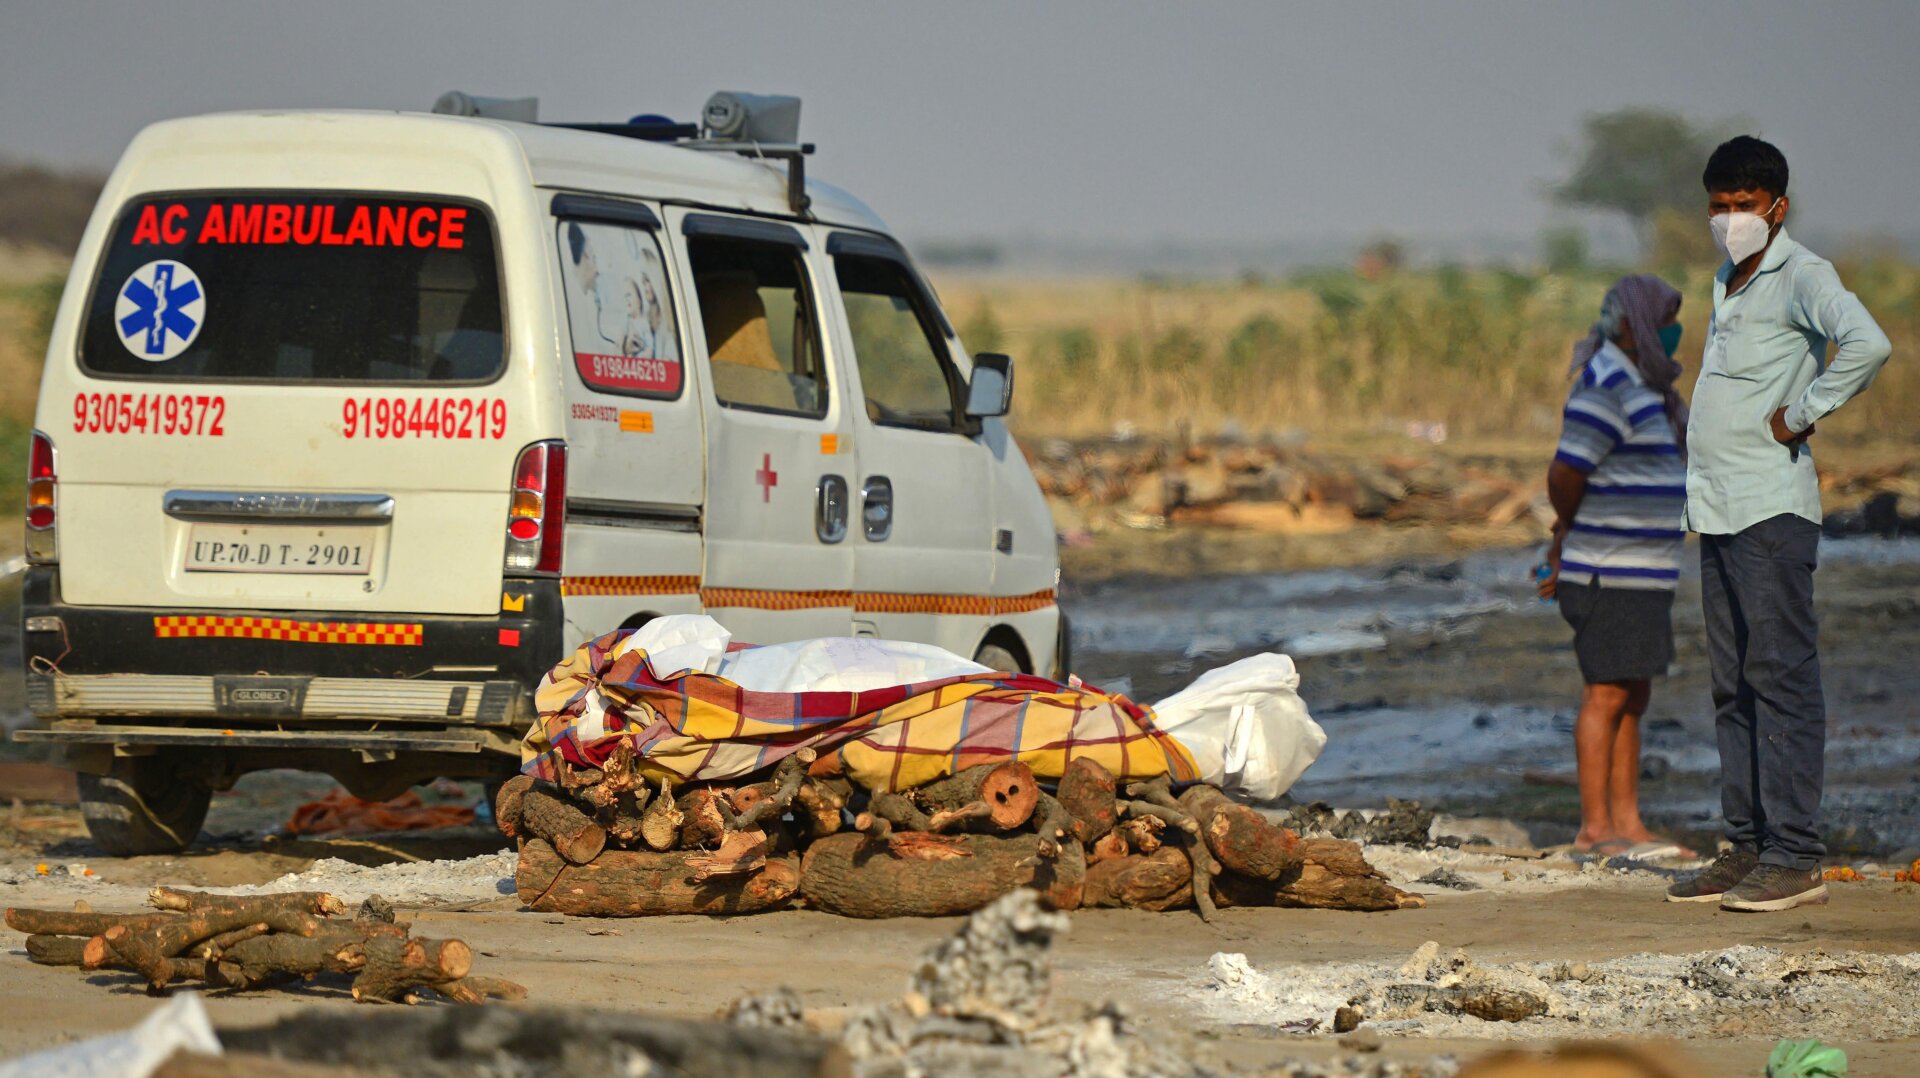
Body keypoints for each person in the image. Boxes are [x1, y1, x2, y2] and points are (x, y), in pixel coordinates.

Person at [1665, 136, 1892, 912]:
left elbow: (1868, 343)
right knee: (1732, 685)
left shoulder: (1805, 275)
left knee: (1783, 679)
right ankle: (1750, 844)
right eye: (1719, 207)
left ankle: (1795, 854)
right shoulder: (1728, 279)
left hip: (1771, 507)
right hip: (1719, 509)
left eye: (1744, 206)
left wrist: (1801, 414)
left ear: (1777, 208)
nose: (1730, 220)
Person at [1539, 274, 1692, 860]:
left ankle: (1628, 822)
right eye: (1665, 319)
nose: (1673, 331)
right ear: (1632, 325)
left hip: (1644, 575)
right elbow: (1565, 473)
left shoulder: (1646, 388)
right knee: (1606, 694)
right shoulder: (1604, 384)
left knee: (1634, 695)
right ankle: (1596, 827)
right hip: (1608, 571)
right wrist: (1568, 530)